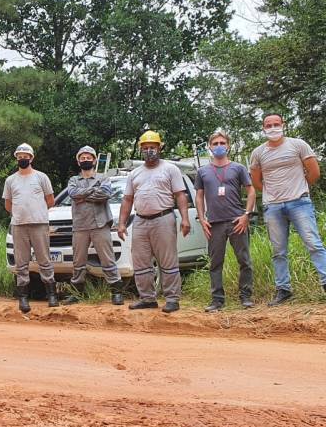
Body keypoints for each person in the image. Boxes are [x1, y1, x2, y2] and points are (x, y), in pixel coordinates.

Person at [250, 114, 326, 305]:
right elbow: (256, 181)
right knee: (278, 251)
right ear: (263, 128)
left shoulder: (298, 144)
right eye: (269, 125)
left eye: (276, 124)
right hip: (273, 207)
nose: (273, 127)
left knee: (313, 244)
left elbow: (314, 172)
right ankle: (283, 289)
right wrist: (274, 194)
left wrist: (299, 188)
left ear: (283, 125)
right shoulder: (258, 153)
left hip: (300, 202)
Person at [118, 131, 191, 313]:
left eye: (153, 147)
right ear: (141, 149)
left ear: (160, 147)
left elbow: (180, 195)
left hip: (163, 218)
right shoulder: (134, 173)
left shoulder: (170, 169)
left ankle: (172, 299)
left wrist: (185, 219)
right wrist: (121, 223)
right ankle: (147, 298)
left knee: (167, 260)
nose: (149, 150)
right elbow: (127, 199)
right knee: (141, 261)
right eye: (145, 148)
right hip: (140, 220)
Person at [195, 130, 255, 311]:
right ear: (209, 147)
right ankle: (217, 300)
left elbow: (251, 191)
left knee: (244, 260)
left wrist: (246, 215)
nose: (219, 146)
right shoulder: (202, 171)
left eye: (222, 143)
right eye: (215, 144)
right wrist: (202, 218)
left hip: (237, 221)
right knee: (215, 263)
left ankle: (246, 296)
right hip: (214, 223)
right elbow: (199, 196)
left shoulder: (238, 168)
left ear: (228, 146)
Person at [65, 146, 124, 305]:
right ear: (78, 161)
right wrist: (92, 191)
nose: (86, 160)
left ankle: (116, 292)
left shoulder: (103, 178)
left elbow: (104, 194)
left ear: (94, 160)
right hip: (80, 225)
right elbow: (72, 194)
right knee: (78, 261)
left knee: (107, 259)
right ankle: (77, 293)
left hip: (100, 224)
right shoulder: (73, 180)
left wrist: (83, 196)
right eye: (82, 158)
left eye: (88, 157)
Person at [3, 143, 57, 312]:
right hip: (19, 226)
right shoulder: (10, 180)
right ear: (16, 158)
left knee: (44, 260)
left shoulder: (41, 177)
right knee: (21, 263)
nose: (23, 158)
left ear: (31, 158)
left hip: (39, 224)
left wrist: (37, 212)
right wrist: (20, 214)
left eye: (26, 156)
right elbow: (8, 204)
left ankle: (52, 295)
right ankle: (23, 298)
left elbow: (50, 200)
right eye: (19, 156)